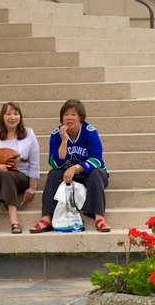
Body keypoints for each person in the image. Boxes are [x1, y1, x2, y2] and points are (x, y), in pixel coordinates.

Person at [30, 99, 111, 233]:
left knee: (96, 173)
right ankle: (46, 218)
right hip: (68, 176)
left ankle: (99, 218)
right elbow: (54, 163)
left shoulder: (90, 132)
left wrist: (75, 168)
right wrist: (64, 141)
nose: (69, 118)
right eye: (66, 114)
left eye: (73, 114)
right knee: (53, 174)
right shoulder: (56, 134)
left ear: (81, 118)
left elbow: (97, 160)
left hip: (89, 175)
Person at [0, 102, 39, 234]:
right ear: (2, 116)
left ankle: (14, 220)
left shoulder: (29, 133)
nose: (12, 117)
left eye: (16, 114)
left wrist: (32, 187)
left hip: (19, 176)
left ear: (20, 116)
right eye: (8, 113)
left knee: (7, 175)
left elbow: (34, 162)